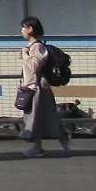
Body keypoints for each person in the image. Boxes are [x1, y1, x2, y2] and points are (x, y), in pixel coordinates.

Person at [17, 15, 71, 158]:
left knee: (36, 118)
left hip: (37, 88)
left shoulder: (37, 46)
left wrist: (24, 54)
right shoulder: (34, 47)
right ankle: (49, 145)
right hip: (36, 87)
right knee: (44, 117)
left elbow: (34, 66)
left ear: (30, 29)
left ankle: (39, 147)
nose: (21, 30)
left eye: (23, 27)